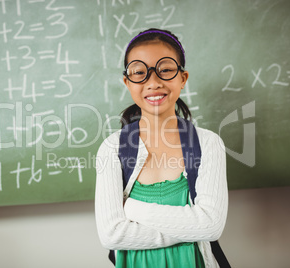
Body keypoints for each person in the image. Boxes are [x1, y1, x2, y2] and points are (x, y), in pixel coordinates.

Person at [95, 28, 228, 268]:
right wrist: (190, 228)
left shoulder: (208, 143)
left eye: (165, 70)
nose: (153, 82)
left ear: (182, 78)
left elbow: (211, 226)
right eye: (139, 73)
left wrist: (133, 209)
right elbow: (111, 235)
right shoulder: (112, 148)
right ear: (127, 82)